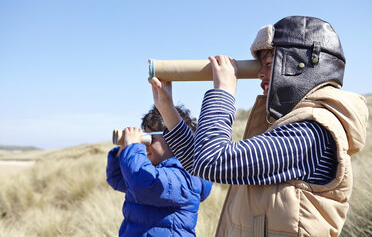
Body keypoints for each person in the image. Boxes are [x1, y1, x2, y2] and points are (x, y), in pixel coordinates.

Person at [149, 16, 369, 237]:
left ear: (302, 65)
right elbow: (200, 164)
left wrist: (223, 90)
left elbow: (211, 161)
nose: (259, 75)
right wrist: (167, 108)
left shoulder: (311, 133)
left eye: (270, 64)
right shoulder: (291, 127)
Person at [106, 105, 212, 237]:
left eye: (150, 139)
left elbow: (144, 185)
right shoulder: (153, 170)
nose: (145, 145)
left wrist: (133, 147)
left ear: (175, 140)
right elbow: (116, 177)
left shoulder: (187, 176)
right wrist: (123, 148)